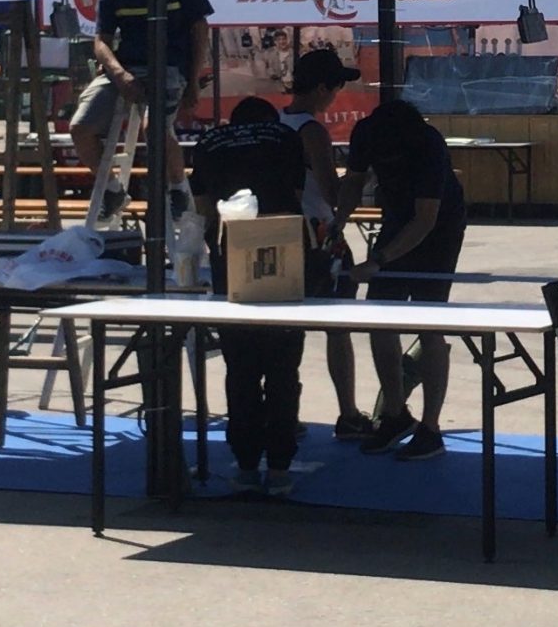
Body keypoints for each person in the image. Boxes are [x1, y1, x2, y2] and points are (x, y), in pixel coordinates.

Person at [333, 98, 469, 460]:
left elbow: (425, 220)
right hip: (395, 218)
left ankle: (431, 429)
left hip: (440, 228)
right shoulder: (366, 132)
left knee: (429, 324)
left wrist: (378, 260)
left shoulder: (427, 143)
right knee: (380, 320)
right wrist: (337, 223)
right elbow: (353, 182)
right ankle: (395, 414)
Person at [189, 95, 310, 496]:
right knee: (282, 369)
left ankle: (244, 465)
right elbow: (296, 193)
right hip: (284, 252)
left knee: (240, 368)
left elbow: (203, 208)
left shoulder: (209, 142)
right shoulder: (284, 136)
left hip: (232, 259)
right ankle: (279, 468)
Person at [280, 46, 368, 440]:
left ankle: (284, 410)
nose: (336, 96)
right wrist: (361, 177)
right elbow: (333, 193)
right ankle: (348, 413)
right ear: (320, 88)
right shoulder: (311, 130)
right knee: (338, 326)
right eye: (335, 87)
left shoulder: (276, 122)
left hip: (280, 232)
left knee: (285, 331)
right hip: (318, 233)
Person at [67, 0, 214, 212]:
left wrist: (194, 81)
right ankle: (112, 190)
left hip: (169, 67)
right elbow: (101, 42)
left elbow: (200, 29)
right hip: (124, 68)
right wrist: (119, 74)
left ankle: (178, 189)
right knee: (80, 127)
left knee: (155, 127)